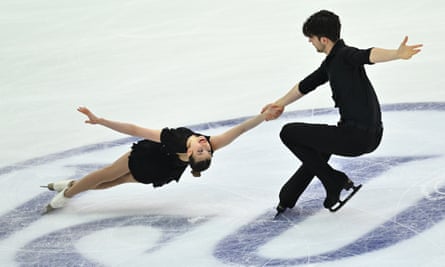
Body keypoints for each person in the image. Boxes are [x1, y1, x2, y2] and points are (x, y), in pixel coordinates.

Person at [262, 10, 422, 215]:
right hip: (366, 135)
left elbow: (368, 55)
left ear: (324, 39)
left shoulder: (345, 55)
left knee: (289, 133)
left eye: (311, 39)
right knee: (317, 149)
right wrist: (279, 104)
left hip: (357, 136)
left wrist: (396, 54)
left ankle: (334, 180)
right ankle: (288, 197)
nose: (310, 43)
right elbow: (306, 85)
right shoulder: (332, 62)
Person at [43, 105, 282, 213]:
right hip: (157, 172)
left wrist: (101, 120)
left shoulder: (174, 140)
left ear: (189, 155)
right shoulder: (211, 143)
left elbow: (135, 129)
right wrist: (263, 116)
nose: (205, 146)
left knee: (106, 177)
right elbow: (240, 130)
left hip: (146, 164)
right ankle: (71, 187)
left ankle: (66, 194)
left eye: (202, 151)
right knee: (109, 181)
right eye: (207, 150)